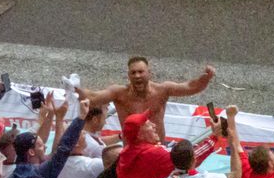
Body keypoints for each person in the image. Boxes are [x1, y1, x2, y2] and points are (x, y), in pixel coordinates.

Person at [78, 56, 215, 140]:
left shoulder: (162, 90)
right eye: (133, 73)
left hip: (157, 149)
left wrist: (206, 78)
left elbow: (191, 87)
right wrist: (75, 87)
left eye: (140, 72)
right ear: (129, 76)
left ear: (149, 73)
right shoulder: (119, 93)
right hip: (131, 151)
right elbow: (93, 98)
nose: (137, 76)